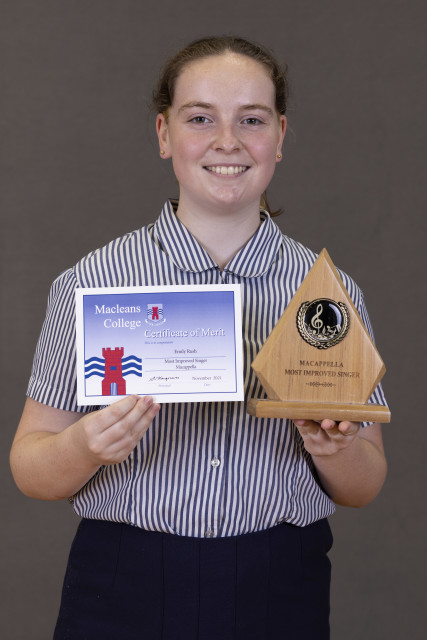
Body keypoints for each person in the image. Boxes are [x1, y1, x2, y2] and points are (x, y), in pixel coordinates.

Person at [10, 36, 387, 640]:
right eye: (200, 118)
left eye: (252, 120)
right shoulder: (94, 282)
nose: (227, 141)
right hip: (122, 583)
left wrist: (333, 449)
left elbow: (365, 484)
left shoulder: (327, 297)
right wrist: (84, 445)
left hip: (279, 586)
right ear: (164, 134)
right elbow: (30, 466)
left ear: (280, 136)